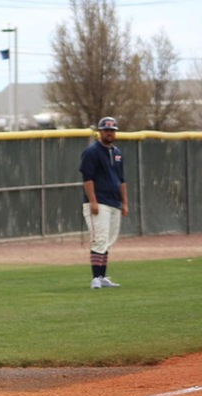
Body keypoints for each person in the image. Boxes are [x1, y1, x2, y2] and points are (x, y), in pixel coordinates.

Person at [80, 116, 128, 290]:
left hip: (114, 202)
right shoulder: (92, 152)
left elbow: (121, 180)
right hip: (98, 202)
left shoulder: (117, 153)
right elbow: (88, 178)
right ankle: (96, 278)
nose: (109, 133)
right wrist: (93, 201)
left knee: (107, 240)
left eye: (112, 130)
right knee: (99, 239)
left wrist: (125, 203)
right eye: (106, 130)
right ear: (100, 132)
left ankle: (102, 276)